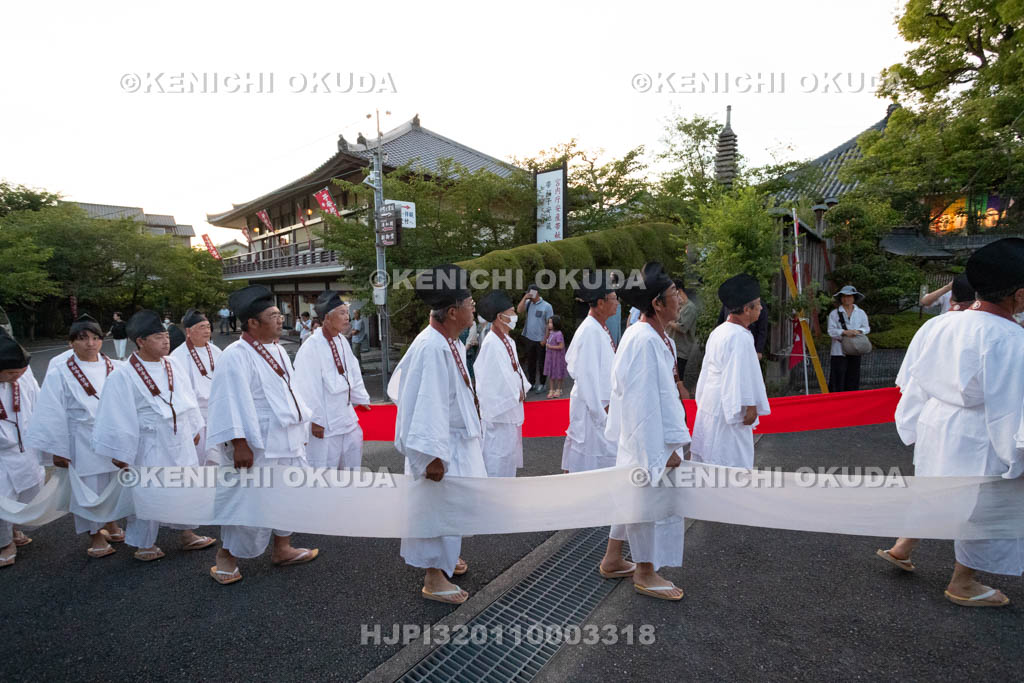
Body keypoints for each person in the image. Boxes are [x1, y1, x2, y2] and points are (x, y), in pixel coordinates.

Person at [877, 238, 1024, 607]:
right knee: (983, 503)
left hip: (937, 422)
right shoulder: (1012, 339)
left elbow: (912, 381)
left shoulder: (943, 325)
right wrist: (1016, 453)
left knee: (934, 489)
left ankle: (903, 546)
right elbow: (1011, 406)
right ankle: (964, 581)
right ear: (1018, 297)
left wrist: (911, 422)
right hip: (982, 432)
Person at [206, 285, 318, 584]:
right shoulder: (235, 355)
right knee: (248, 501)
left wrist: (301, 427)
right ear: (253, 323)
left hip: (287, 440)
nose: (280, 320)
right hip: (258, 445)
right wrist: (240, 443)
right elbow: (228, 401)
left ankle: (283, 548)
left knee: (287, 496)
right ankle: (225, 557)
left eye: (280, 315)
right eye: (273, 316)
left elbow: (291, 393)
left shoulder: (279, 349)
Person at [388, 264, 487, 604]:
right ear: (452, 311)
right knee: (436, 508)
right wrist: (431, 455)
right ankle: (433, 576)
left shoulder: (450, 342)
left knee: (451, 508)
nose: (474, 307)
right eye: (469, 302)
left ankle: (445, 559)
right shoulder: (432, 346)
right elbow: (426, 404)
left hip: (454, 443)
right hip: (439, 447)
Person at [91, 310, 214, 562]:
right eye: (158, 337)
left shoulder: (173, 364)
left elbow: (187, 399)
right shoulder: (122, 375)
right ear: (140, 341)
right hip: (149, 443)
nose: (166, 341)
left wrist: (193, 428)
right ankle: (144, 543)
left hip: (179, 439)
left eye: (166, 336)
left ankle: (187, 533)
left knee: (185, 486)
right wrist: (120, 453)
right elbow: (115, 415)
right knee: (147, 492)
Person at [598, 262, 689, 601]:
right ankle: (646, 571)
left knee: (631, 498)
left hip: (645, 439)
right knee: (646, 500)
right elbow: (642, 403)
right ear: (657, 304)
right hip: (647, 440)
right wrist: (660, 450)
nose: (679, 299)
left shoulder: (654, 336)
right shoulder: (644, 341)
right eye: (672, 295)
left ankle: (612, 558)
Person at [26, 315, 125, 558]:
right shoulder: (60, 372)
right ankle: (94, 535)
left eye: (95, 338)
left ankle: (110, 522)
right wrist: (57, 449)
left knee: (113, 484)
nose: (90, 343)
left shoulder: (116, 367)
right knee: (88, 488)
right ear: (71, 343)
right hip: (81, 438)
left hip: (112, 437)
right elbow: (51, 411)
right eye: (83, 339)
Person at [690, 275, 771, 469]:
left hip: (712, 402)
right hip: (729, 405)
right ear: (746, 309)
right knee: (729, 459)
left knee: (711, 453)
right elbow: (738, 375)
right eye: (758, 305)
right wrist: (750, 405)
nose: (761, 308)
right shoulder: (740, 337)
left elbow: (706, 373)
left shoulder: (719, 331)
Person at [293, 291, 370, 470]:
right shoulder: (311, 347)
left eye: (347, 313)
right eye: (342, 313)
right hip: (326, 424)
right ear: (327, 318)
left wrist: (361, 398)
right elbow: (306, 387)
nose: (347, 317)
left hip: (347, 417)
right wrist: (316, 420)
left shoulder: (342, 340)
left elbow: (354, 372)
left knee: (351, 468)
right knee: (325, 472)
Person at [473, 290, 530, 478]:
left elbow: (515, 372)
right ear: (500, 317)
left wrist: (522, 388)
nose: (515, 316)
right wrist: (516, 393)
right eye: (512, 312)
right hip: (499, 417)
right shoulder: (491, 343)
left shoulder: (507, 340)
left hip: (509, 414)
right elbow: (493, 382)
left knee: (508, 461)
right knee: (497, 461)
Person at [0, 332, 43, 568]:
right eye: (10, 373)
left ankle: (14, 528)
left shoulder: (24, 377)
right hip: (1, 454)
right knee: (2, 498)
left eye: (20, 371)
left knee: (28, 491)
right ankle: (5, 543)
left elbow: (39, 403)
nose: (17, 376)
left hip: (26, 446)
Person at [169, 309, 223, 465]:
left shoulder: (216, 351)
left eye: (208, 326)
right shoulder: (178, 356)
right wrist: (192, 424)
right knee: (199, 459)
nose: (207, 331)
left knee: (221, 459)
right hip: (195, 416)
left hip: (217, 412)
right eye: (201, 327)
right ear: (188, 331)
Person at [827, 285, 870, 392]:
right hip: (838, 351)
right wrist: (844, 332)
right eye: (844, 296)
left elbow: (866, 327)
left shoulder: (861, 313)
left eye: (849, 296)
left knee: (853, 377)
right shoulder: (834, 313)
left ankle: (851, 401)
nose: (847, 299)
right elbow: (831, 331)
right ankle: (835, 401)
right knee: (837, 378)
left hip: (855, 349)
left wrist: (858, 331)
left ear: (854, 298)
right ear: (841, 298)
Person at [516, 284, 553, 394]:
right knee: (530, 362)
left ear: (536, 293)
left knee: (541, 363)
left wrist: (545, 339)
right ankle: (531, 383)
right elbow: (519, 310)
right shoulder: (528, 304)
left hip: (541, 339)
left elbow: (549, 324)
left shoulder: (547, 306)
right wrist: (524, 298)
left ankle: (542, 383)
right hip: (529, 337)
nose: (529, 295)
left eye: (531, 293)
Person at [666, 279, 698, 389]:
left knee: (678, 381)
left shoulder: (690, 308)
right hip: (671, 348)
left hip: (681, 351)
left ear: (679, 291)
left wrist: (668, 321)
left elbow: (683, 327)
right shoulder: (678, 306)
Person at [543, 316, 567, 398]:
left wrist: (550, 346)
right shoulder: (551, 333)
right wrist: (547, 331)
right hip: (550, 357)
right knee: (551, 373)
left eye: (551, 323)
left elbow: (561, 346)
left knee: (559, 372)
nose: (549, 324)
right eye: (548, 322)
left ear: (555, 324)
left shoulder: (559, 334)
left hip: (557, 357)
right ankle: (551, 389)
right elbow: (546, 339)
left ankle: (559, 389)